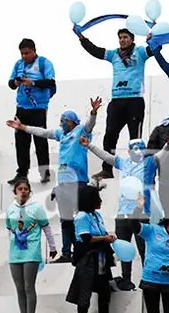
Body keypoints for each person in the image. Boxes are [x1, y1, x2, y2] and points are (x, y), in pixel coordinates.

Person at [6, 98, 100, 261]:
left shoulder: (80, 131)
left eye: (63, 121)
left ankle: (80, 250)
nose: (61, 124)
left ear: (71, 121)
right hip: (62, 184)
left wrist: (93, 112)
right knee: (65, 219)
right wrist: (23, 127)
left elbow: (90, 125)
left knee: (78, 218)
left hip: (78, 182)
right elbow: (42, 132)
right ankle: (66, 253)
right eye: (60, 121)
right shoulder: (60, 135)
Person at [75, 28, 153, 180]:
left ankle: (136, 170)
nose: (122, 40)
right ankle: (107, 170)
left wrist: (153, 38)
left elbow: (154, 50)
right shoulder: (114, 54)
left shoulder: (140, 52)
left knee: (135, 138)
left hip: (134, 100)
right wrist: (81, 38)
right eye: (120, 38)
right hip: (117, 100)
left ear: (132, 39)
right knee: (110, 135)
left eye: (125, 37)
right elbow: (95, 51)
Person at [83, 136, 152, 290]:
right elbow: (106, 157)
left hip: (141, 213)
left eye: (141, 148)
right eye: (135, 149)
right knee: (123, 247)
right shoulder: (124, 163)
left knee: (144, 249)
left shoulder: (149, 163)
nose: (138, 151)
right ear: (128, 151)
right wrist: (89, 146)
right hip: (122, 213)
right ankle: (126, 279)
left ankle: (148, 278)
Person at [5, 177, 57, 313]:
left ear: (29, 191)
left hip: (31, 251)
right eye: (20, 189)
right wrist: (11, 246)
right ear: (15, 191)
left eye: (25, 189)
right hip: (15, 253)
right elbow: (9, 229)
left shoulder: (36, 208)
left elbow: (46, 228)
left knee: (29, 285)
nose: (23, 192)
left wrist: (52, 247)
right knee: (19, 287)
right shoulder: (11, 209)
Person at [8, 38, 57, 185]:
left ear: (34, 51)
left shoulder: (44, 63)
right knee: (21, 142)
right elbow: (10, 84)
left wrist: (33, 83)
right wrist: (16, 82)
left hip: (38, 108)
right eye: (22, 53)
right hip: (22, 108)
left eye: (27, 53)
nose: (24, 56)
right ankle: (22, 173)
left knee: (40, 140)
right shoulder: (18, 64)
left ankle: (44, 172)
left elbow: (51, 82)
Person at [66, 184, 116, 313]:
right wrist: (105, 239)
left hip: (101, 257)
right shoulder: (82, 217)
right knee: (85, 288)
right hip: (88, 258)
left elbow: (102, 233)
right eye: (97, 198)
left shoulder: (97, 215)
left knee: (104, 289)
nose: (100, 201)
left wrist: (109, 237)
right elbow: (87, 238)